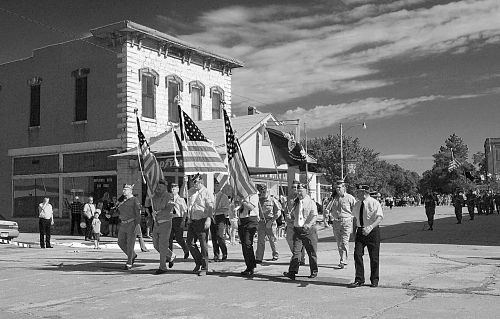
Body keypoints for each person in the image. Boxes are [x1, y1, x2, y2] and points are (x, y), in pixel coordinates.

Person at [348, 185, 384, 288]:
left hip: (372, 231)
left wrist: (370, 227)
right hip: (360, 231)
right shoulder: (357, 204)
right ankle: (359, 279)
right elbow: (355, 218)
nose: (357, 194)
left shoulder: (374, 203)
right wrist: (354, 232)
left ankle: (374, 280)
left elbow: (379, 217)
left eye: (359, 192)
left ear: (365, 193)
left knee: (374, 257)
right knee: (357, 254)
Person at [283, 183, 318, 280]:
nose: (299, 192)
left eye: (301, 190)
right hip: (297, 230)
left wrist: (309, 224)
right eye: (298, 191)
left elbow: (314, 215)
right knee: (296, 252)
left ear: (306, 191)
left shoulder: (311, 202)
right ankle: (292, 272)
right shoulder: (296, 202)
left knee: (311, 252)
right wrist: (290, 218)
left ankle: (314, 271)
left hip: (308, 230)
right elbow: (295, 217)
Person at [146, 179, 176, 275]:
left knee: (163, 246)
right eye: (158, 186)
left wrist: (158, 212)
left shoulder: (169, 196)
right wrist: (149, 198)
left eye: (161, 186)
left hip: (166, 223)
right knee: (156, 245)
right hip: (157, 224)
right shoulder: (154, 196)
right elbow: (147, 205)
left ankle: (162, 267)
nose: (158, 188)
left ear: (165, 187)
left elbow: (169, 208)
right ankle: (171, 255)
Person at [186, 174, 214, 276]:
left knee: (203, 244)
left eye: (196, 182)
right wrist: (184, 183)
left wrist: (208, 219)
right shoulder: (191, 191)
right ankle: (198, 262)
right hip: (192, 220)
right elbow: (183, 195)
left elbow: (210, 206)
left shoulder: (206, 192)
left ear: (201, 182)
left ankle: (204, 267)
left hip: (202, 220)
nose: (194, 184)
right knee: (189, 243)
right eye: (193, 182)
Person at [326, 180, 355, 269]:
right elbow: (327, 209)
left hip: (346, 221)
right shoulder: (333, 198)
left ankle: (343, 261)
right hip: (336, 222)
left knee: (344, 241)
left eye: (339, 187)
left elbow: (355, 210)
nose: (338, 189)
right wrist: (327, 218)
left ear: (344, 188)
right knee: (339, 243)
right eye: (336, 188)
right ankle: (342, 258)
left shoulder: (350, 198)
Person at [117, 184, 142, 270]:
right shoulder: (122, 200)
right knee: (120, 242)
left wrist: (137, 225)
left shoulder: (134, 200)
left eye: (126, 189)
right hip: (123, 224)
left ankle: (129, 263)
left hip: (131, 223)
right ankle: (133, 255)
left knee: (130, 244)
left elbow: (138, 214)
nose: (124, 191)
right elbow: (119, 211)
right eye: (123, 189)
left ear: (130, 191)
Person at [255, 184, 281, 263]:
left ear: (267, 191)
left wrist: (272, 220)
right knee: (260, 241)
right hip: (261, 222)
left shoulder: (272, 199)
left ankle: (275, 254)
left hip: (270, 222)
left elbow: (278, 212)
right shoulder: (258, 200)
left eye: (264, 191)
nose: (262, 193)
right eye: (261, 191)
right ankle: (259, 258)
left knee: (272, 240)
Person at [237, 190, 260, 277]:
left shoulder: (253, 194)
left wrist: (242, 200)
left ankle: (251, 266)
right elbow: (237, 207)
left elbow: (251, 207)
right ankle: (249, 266)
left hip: (251, 219)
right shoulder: (240, 193)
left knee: (248, 243)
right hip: (242, 220)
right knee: (244, 244)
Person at [168, 182, 189, 260]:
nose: (172, 190)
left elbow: (185, 210)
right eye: (172, 189)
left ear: (177, 190)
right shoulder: (169, 199)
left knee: (179, 238)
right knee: (169, 238)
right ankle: (169, 255)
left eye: (174, 189)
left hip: (178, 219)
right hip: (170, 219)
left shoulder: (181, 199)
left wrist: (184, 220)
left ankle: (186, 249)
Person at [211, 182, 231, 262]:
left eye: (218, 185)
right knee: (213, 237)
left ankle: (224, 253)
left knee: (220, 235)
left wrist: (216, 210)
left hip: (220, 217)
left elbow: (226, 209)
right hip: (212, 216)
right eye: (215, 185)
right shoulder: (210, 195)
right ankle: (216, 254)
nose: (217, 186)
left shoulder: (224, 196)